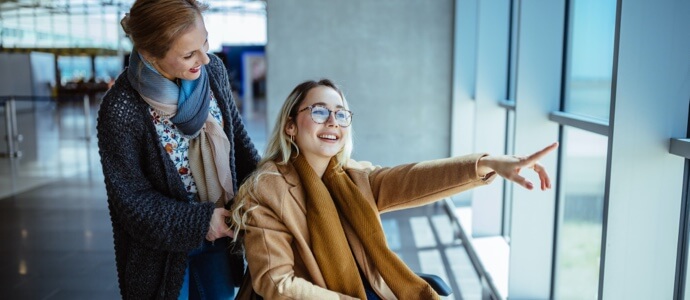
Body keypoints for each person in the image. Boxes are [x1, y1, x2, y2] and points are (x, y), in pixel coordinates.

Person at [230, 79, 558, 300]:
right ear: (290, 126)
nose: (333, 122)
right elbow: (277, 283)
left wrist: (486, 164)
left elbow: (414, 178)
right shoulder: (266, 189)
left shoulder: (353, 177)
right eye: (319, 112)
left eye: (341, 114)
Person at [96, 0, 260, 299]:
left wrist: (273, 189)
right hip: (161, 252)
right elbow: (131, 202)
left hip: (219, 238)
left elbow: (239, 143)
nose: (205, 58)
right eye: (188, 54)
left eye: (205, 42)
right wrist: (200, 221)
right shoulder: (122, 107)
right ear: (149, 53)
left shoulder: (214, 73)